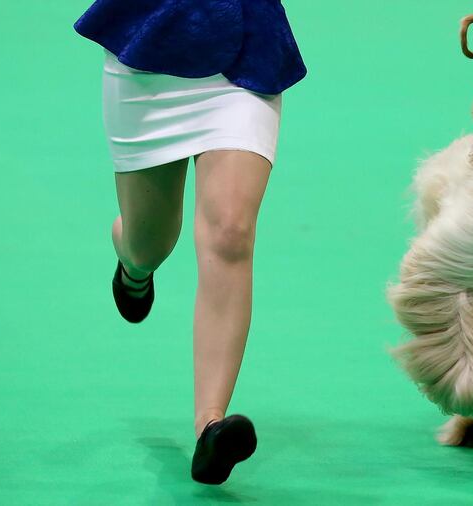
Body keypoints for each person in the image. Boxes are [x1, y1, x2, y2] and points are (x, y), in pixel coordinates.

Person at [74, 0, 307, 485]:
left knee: (230, 230)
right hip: (150, 42)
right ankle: (133, 264)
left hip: (245, 51)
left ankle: (211, 426)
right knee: (149, 239)